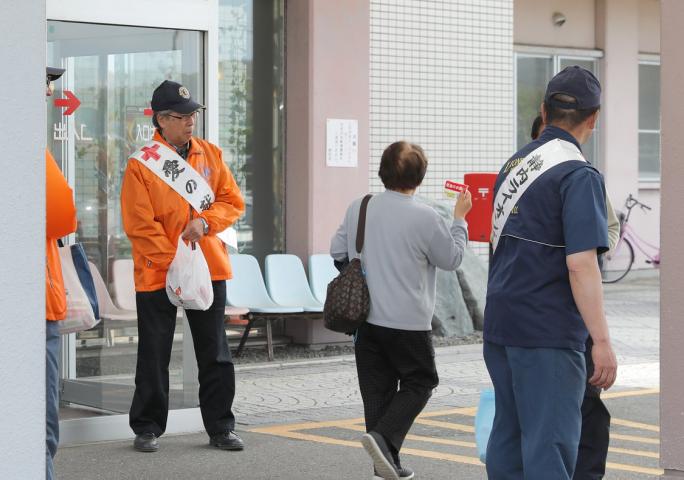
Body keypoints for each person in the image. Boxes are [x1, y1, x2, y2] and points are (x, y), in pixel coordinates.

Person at [483, 66, 618, 479]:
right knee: (550, 447)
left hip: (501, 326)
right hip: (548, 332)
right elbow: (581, 264)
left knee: (508, 438)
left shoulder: (514, 165)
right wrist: (601, 340)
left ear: (543, 110)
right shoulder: (578, 174)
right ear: (594, 119)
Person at [330, 141, 472, 480]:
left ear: (382, 171)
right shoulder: (425, 216)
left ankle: (385, 464)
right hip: (408, 322)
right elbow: (451, 259)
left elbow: (337, 251)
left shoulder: (360, 207)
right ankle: (382, 441)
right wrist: (460, 220)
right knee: (420, 382)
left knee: (377, 391)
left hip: (364, 320)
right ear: (420, 177)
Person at [121, 80, 245, 452]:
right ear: (161, 120)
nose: (191, 121)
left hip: (209, 268)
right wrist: (174, 261)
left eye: (194, 114)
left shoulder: (210, 155)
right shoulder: (142, 165)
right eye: (181, 116)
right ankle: (147, 427)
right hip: (158, 273)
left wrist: (206, 223)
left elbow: (231, 201)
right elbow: (139, 225)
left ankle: (221, 426)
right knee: (154, 354)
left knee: (215, 352)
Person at [531, 113, 618, 480]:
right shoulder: (526, 181)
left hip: (573, 316)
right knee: (552, 422)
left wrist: (594, 248)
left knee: (586, 410)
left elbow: (607, 230)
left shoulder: (582, 178)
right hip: (543, 320)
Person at [45, 66, 78, 480]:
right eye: (45, 83)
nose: (50, 91)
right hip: (35, 303)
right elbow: (62, 214)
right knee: (38, 422)